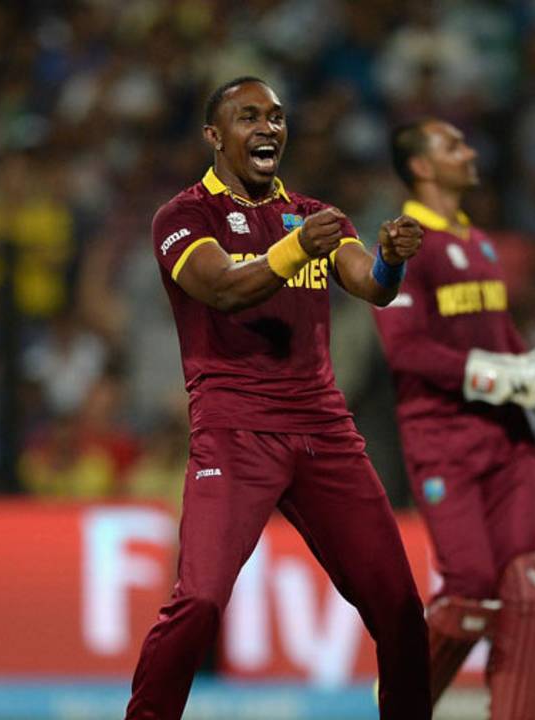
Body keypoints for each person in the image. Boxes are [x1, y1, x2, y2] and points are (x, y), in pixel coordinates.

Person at [126, 76, 431, 720]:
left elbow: (371, 286)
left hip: (324, 431)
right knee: (200, 600)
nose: (268, 127)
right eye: (248, 117)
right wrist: (296, 247)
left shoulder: (317, 215)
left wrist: (392, 259)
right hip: (235, 432)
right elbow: (225, 289)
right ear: (214, 135)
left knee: (401, 610)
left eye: (276, 117)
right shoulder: (184, 217)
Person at [373, 118, 535, 719]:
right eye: (452, 146)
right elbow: (406, 350)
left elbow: (500, 335)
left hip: (508, 441)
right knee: (468, 594)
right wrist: (500, 375)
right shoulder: (405, 242)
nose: (469, 151)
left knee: (529, 590)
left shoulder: (480, 243)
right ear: (420, 167)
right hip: (443, 438)